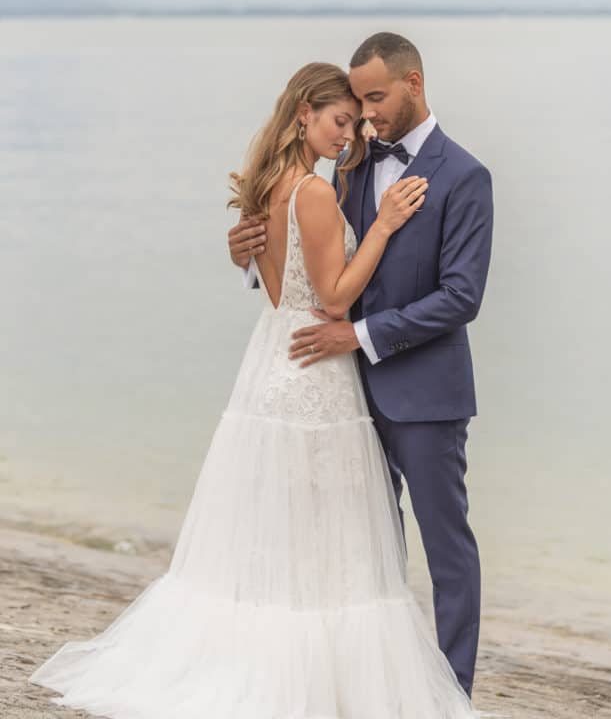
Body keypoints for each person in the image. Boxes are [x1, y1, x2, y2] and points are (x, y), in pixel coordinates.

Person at [28, 61, 476, 718]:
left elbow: (277, 274)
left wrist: (253, 255)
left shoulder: (268, 185)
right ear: (304, 113)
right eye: (339, 120)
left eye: (355, 121)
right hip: (315, 370)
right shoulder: (316, 193)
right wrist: (380, 227)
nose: (348, 135)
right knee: (327, 536)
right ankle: (321, 684)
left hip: (272, 362)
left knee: (279, 533)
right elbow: (330, 297)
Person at [232, 34, 494, 697]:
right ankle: (371, 686)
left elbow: (461, 297)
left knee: (447, 551)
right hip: (339, 397)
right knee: (360, 554)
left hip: (424, 396)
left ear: (413, 84)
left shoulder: (465, 176)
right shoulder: (346, 168)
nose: (367, 114)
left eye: (375, 98)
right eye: (357, 102)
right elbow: (313, 263)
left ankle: (452, 695)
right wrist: (246, 251)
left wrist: (363, 335)